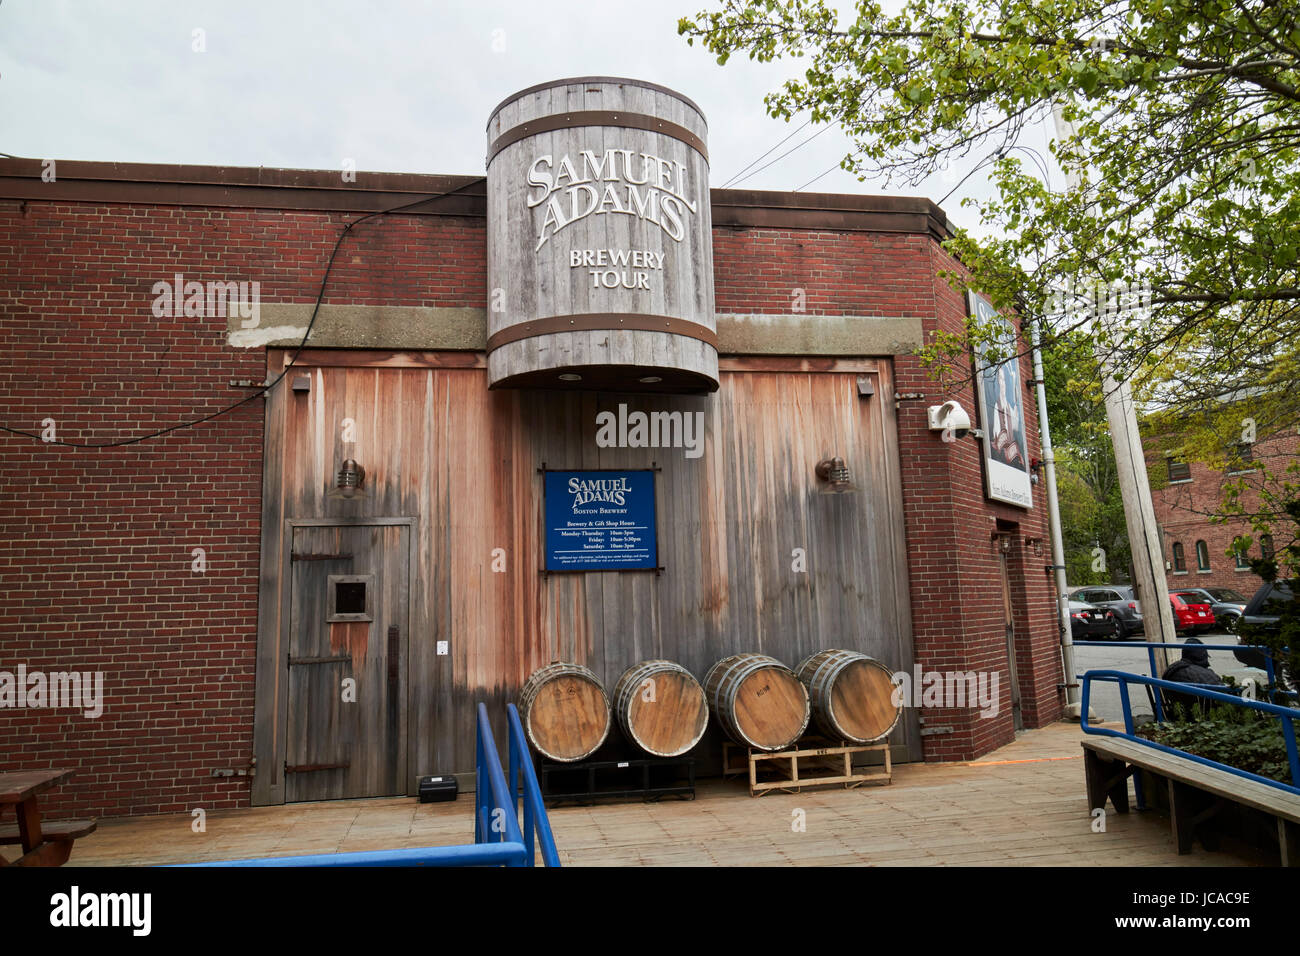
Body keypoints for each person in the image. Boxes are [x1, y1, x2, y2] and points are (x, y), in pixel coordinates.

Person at [1159, 639, 1224, 718]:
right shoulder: (1202, 674)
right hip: (1202, 713)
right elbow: (1221, 692)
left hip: (1182, 712)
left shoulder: (1172, 669)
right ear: (1202, 656)